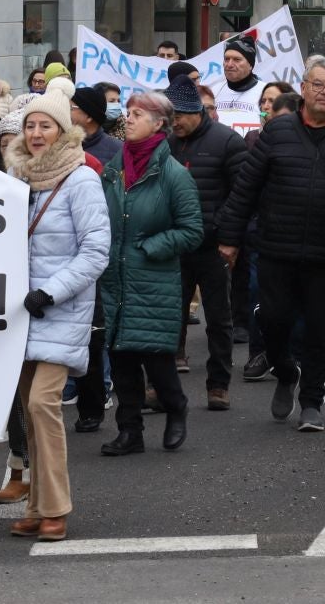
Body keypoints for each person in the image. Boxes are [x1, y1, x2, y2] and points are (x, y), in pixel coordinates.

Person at [219, 56, 325, 432]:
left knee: (320, 329)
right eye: (318, 84)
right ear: (303, 89)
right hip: (276, 247)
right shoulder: (278, 131)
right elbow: (247, 187)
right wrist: (230, 236)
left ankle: (311, 400)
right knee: (273, 322)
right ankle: (286, 371)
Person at [0, 78, 110, 543]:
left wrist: (50, 292)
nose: (36, 133)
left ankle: (57, 507)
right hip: (21, 311)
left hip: (58, 310)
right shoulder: (18, 179)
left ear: (65, 130)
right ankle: (37, 503)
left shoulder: (81, 178)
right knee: (29, 405)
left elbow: (95, 251)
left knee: (43, 402)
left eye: (45, 125)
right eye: (30, 126)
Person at [97, 90, 204, 456]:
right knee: (123, 360)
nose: (128, 118)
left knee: (157, 359)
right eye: (128, 112)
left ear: (159, 124)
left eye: (138, 114)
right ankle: (130, 432)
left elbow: (192, 230)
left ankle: (176, 409)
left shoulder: (174, 175)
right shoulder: (114, 168)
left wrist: (149, 247)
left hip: (152, 280)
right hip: (115, 278)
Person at [165, 75, 248, 411]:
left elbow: (240, 196)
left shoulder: (227, 142)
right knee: (172, 315)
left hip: (214, 246)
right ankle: (164, 381)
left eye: (181, 116)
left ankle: (218, 384)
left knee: (218, 317)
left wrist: (229, 238)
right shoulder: (166, 143)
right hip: (175, 245)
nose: (176, 123)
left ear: (198, 112)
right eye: (171, 117)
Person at [71, 83, 123, 168]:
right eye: (112, 101)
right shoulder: (61, 144)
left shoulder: (119, 150)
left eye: (71, 108)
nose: (116, 105)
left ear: (89, 116)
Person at [221, 35, 261, 101]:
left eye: (237, 59)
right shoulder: (213, 92)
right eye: (227, 59)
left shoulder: (264, 94)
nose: (229, 64)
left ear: (250, 65)